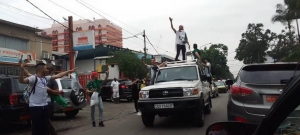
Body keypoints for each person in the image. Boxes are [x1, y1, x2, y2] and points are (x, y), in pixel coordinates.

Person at [18, 61, 75, 135]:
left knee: (45, 127)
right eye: (45, 68)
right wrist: (22, 69)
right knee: (36, 128)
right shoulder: (33, 78)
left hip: (44, 106)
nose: (47, 70)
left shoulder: (46, 78)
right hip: (35, 107)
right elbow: (21, 80)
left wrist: (69, 71)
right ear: (41, 69)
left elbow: (59, 75)